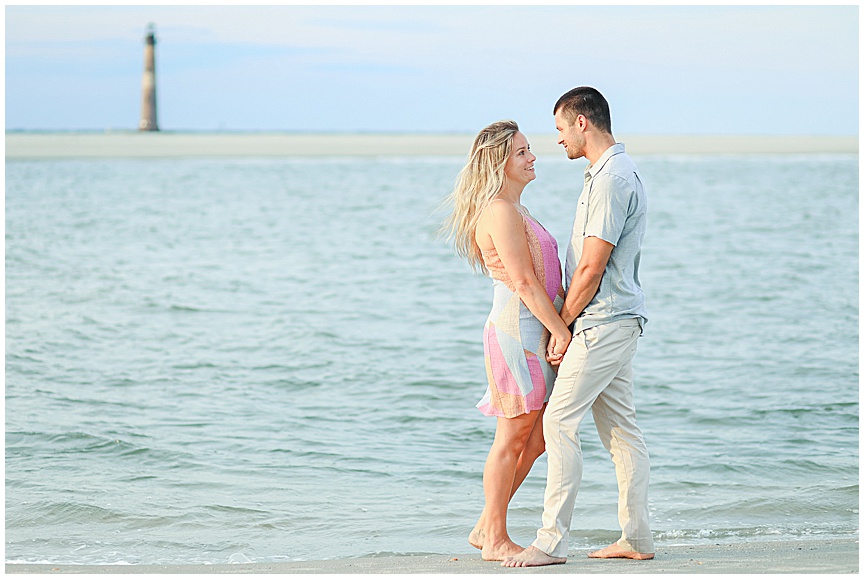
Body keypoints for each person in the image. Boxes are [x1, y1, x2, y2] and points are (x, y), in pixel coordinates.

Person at [503, 87, 654, 567]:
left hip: (603, 321)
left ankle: (550, 542)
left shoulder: (611, 179)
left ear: (582, 123)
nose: (558, 140)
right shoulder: (608, 174)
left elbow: (591, 269)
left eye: (560, 129)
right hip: (617, 319)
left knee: (558, 420)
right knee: (621, 432)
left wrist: (560, 327)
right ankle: (637, 538)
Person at [441, 120, 571, 561]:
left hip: (535, 330)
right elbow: (523, 282)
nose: (532, 156)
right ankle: (494, 537)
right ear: (499, 161)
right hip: (518, 333)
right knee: (511, 437)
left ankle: (485, 525)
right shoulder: (498, 210)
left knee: (535, 440)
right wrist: (560, 329)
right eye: (521, 152)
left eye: (529, 149)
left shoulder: (516, 208)